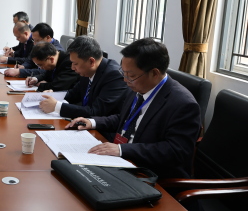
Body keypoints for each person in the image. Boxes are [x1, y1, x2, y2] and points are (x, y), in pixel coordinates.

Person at [67, 38, 201, 179]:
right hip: (121, 160)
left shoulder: (183, 104)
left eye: (131, 75)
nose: (125, 80)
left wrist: (122, 149)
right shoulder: (138, 86)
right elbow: (124, 118)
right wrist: (93, 122)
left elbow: (175, 151)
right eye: (123, 72)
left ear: (154, 73)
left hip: (149, 174)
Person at [38, 36, 128, 118]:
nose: (72, 68)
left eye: (75, 63)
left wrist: (57, 107)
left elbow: (96, 111)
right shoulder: (87, 71)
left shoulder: (114, 76)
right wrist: (54, 96)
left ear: (91, 62)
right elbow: (73, 94)